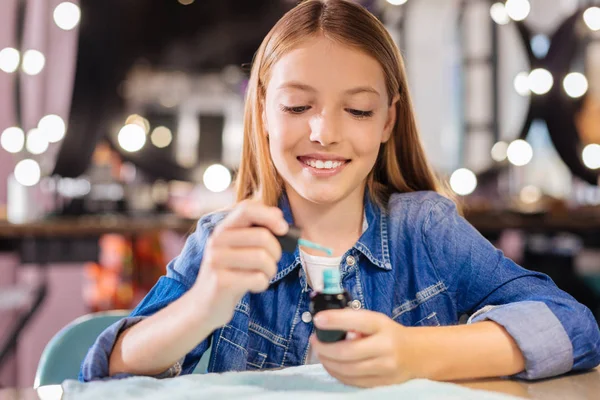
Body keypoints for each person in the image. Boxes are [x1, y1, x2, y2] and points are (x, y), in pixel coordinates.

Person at [80, 0, 600, 387]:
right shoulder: (224, 241)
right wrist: (204, 306)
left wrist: (412, 353)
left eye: (357, 110)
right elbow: (104, 373)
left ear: (387, 120)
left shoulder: (424, 229)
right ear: (262, 111)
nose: (325, 131)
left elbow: (575, 328)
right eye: (297, 106)